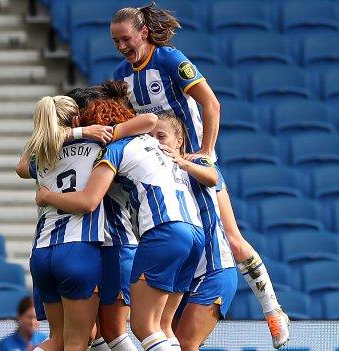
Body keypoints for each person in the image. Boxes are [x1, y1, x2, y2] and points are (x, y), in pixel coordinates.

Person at [109, 3, 290, 348]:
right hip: (162, 171)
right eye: (115, 41)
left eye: (126, 39)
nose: (121, 47)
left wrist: (205, 152)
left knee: (228, 237)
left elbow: (211, 104)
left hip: (191, 165)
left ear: (143, 33)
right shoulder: (122, 75)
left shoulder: (170, 59)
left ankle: (272, 309)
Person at [35, 87, 204, 351]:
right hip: (191, 229)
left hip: (120, 242)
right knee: (126, 330)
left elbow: (85, 199)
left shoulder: (106, 149)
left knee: (131, 328)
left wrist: (46, 196)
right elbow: (149, 120)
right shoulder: (152, 143)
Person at [15, 94, 158, 351]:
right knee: (77, 343)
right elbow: (148, 121)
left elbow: (21, 167)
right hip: (77, 250)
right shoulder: (98, 146)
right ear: (77, 119)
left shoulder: (44, 155)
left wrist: (69, 133)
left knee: (56, 341)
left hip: (41, 253)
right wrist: (87, 131)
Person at [152, 113, 237, 351]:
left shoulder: (197, 161)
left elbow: (212, 177)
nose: (156, 143)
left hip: (214, 268)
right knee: (167, 341)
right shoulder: (154, 172)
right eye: (150, 137)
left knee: (186, 343)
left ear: (179, 140)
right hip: (183, 275)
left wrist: (182, 162)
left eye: (161, 136)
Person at [67, 83, 140, 351]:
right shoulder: (85, 145)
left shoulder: (110, 146)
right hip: (92, 245)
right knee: (92, 332)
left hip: (116, 244)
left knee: (113, 332)